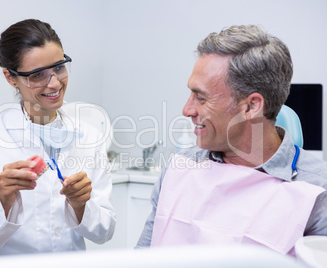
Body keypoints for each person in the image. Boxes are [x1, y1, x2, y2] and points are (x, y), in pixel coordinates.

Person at [136, 25, 327, 255]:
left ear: (251, 106)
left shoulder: (317, 191)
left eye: (201, 98)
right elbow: (142, 259)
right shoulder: (180, 170)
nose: (187, 110)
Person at [0, 19, 116, 257]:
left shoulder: (89, 137)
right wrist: (2, 200)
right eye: (37, 75)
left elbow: (105, 232)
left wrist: (80, 205)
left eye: (59, 68)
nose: (54, 83)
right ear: (11, 78)